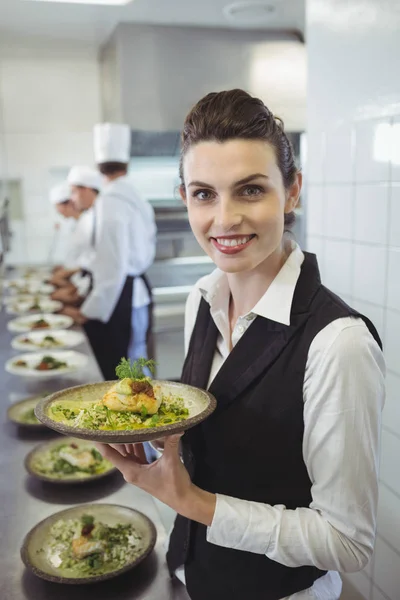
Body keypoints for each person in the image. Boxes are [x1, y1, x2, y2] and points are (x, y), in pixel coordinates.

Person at [96, 90, 385, 600]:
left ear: (292, 191)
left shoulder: (338, 344)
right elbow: (214, 443)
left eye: (250, 190)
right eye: (204, 194)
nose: (224, 220)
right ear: (184, 196)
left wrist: (193, 503)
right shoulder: (200, 300)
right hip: (191, 571)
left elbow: (347, 542)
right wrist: (149, 445)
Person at [62, 123, 157, 380]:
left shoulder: (111, 202)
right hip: (132, 292)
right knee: (135, 361)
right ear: (125, 164)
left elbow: (111, 266)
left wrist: (88, 312)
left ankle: (147, 416)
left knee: (126, 368)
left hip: (121, 295)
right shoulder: (136, 196)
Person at [50, 168, 101, 304]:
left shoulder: (91, 220)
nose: (57, 212)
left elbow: (92, 260)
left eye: (74, 193)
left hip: (87, 284)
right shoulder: (81, 222)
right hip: (81, 283)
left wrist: (69, 275)